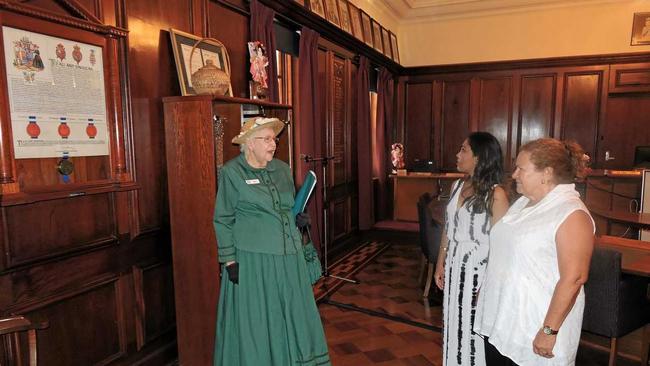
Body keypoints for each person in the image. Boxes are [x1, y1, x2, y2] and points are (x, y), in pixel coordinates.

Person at [213, 117, 330, 366]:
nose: (273, 144)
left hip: (290, 258)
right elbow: (222, 219)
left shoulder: (282, 169)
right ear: (249, 144)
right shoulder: (232, 173)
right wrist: (229, 260)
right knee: (259, 320)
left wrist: (298, 217)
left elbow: (286, 207)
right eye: (265, 139)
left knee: (294, 316)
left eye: (274, 138)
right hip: (254, 262)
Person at [474, 138, 595, 366]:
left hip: (534, 327)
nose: (514, 174)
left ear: (546, 173)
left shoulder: (571, 213)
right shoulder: (524, 203)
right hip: (503, 319)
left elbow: (575, 277)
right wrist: (486, 289)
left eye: (521, 168)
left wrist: (549, 330)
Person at [434, 132, 509, 366]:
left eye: (464, 150)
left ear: (479, 157)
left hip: (479, 273)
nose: (458, 154)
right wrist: (440, 261)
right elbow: (449, 227)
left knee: (473, 330)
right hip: (455, 269)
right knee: (453, 325)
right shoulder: (457, 185)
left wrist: (488, 285)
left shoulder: (496, 194)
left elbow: (502, 246)